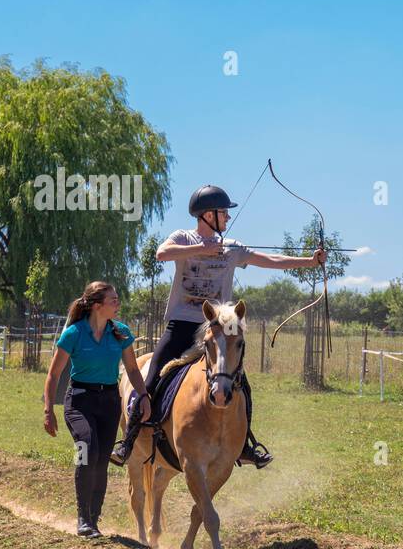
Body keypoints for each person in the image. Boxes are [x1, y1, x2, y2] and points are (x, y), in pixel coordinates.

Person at [109, 183, 326, 468]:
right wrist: (202, 248)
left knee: (241, 386)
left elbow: (270, 259)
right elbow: (162, 253)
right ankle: (128, 442)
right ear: (207, 215)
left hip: (217, 329)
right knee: (149, 382)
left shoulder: (232, 248)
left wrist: (309, 261)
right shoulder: (183, 238)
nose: (227, 217)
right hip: (181, 327)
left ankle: (246, 444)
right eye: (223, 212)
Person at [44, 281, 151, 538]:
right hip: (80, 400)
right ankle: (83, 517)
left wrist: (144, 395)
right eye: (113, 299)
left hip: (109, 401)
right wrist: (49, 410)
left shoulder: (121, 332)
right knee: (86, 449)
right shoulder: (74, 333)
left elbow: (133, 370)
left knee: (101, 461)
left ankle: (94, 519)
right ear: (96, 305)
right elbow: (54, 374)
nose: (118, 303)